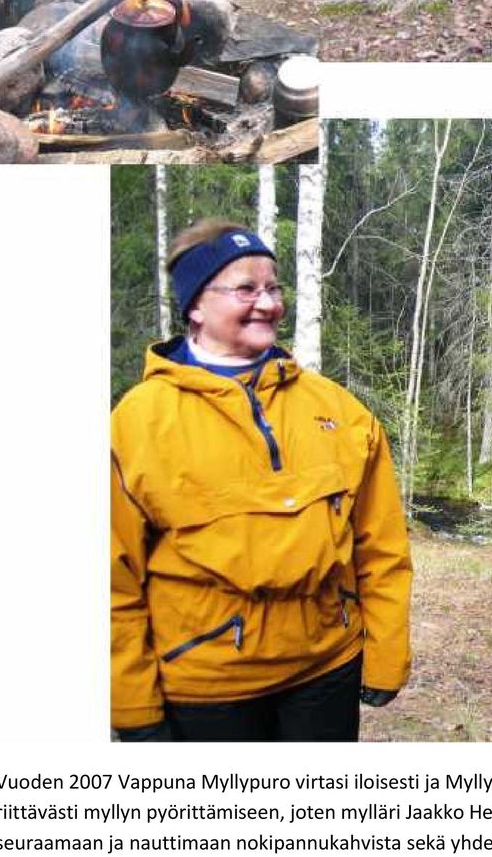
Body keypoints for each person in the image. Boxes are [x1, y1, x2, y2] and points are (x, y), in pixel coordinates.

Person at [111, 219, 412, 742]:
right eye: (246, 288)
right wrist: (132, 706)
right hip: (205, 686)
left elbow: (381, 546)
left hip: (326, 669)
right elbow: (111, 580)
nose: (269, 303)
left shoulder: (337, 409)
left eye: (273, 287)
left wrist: (385, 651)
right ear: (196, 306)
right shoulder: (139, 422)